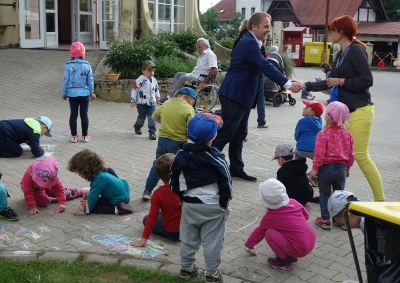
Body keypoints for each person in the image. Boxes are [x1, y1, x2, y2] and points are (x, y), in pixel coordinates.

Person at [212, 12, 303, 182]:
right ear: (254, 26)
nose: (268, 30)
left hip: (243, 96)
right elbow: (264, 65)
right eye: (266, 26)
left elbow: (264, 66)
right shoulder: (248, 43)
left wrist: (288, 80)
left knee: (239, 134)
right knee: (226, 134)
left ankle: (236, 169)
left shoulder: (256, 42)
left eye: (269, 26)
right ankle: (206, 169)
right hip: (235, 95)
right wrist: (287, 83)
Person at [302, 15, 385, 202]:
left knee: (362, 157)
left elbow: (366, 81)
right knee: (333, 156)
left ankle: (381, 201)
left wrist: (341, 81)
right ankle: (331, 199)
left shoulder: (356, 51)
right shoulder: (340, 54)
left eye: (332, 31)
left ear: (341, 32)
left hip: (360, 111)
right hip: (344, 114)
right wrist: (304, 85)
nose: (330, 34)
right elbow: (329, 82)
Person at [170, 113, 231, 282]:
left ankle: (186, 268)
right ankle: (212, 273)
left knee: (188, 239)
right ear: (214, 136)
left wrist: (180, 197)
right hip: (213, 207)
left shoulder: (181, 155)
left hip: (190, 204)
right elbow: (226, 181)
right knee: (213, 242)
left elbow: (173, 177)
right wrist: (225, 202)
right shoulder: (216, 157)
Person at [244, 179, 316, 271]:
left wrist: (249, 245)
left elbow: (259, 232)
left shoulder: (270, 217)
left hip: (299, 248)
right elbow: (306, 215)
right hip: (310, 241)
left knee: (269, 233)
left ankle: (284, 261)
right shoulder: (293, 202)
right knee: (280, 231)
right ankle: (291, 255)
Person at [142, 87, 196, 200]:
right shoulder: (188, 108)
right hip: (178, 142)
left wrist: (165, 124)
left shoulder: (166, 103)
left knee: (158, 164)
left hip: (163, 139)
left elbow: (154, 116)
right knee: (176, 166)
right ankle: (175, 193)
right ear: (191, 100)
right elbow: (191, 127)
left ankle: (147, 190)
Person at [309, 101, 355, 230]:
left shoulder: (323, 134)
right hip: (341, 168)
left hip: (326, 168)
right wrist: (348, 168)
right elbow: (351, 154)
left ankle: (325, 220)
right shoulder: (348, 135)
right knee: (340, 195)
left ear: (328, 116)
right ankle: (341, 220)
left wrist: (314, 169)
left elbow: (319, 154)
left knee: (324, 194)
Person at [130, 153, 181, 247]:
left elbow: (152, 218)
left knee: (146, 218)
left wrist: (143, 240)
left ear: (158, 175)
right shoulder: (186, 187)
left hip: (174, 233)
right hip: (189, 232)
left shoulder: (158, 194)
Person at [67, 149, 132, 215]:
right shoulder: (102, 172)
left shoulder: (98, 180)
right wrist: (88, 201)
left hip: (120, 200)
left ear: (86, 170)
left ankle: (118, 209)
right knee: (92, 203)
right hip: (125, 192)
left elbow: (93, 196)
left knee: (94, 208)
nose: (79, 175)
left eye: (79, 172)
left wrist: (85, 211)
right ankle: (119, 201)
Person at [62, 42, 96, 143]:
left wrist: (64, 93)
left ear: (71, 54)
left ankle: (74, 136)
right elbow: (90, 80)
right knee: (84, 114)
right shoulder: (87, 66)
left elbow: (65, 80)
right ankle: (85, 136)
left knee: (73, 114)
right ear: (83, 53)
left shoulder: (68, 66)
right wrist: (92, 92)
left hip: (72, 94)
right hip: (85, 93)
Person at [130, 60, 160, 140]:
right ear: (143, 70)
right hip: (141, 103)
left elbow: (156, 89)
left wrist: (157, 97)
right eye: (149, 70)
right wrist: (133, 100)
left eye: (153, 71)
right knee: (141, 117)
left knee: (152, 117)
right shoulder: (140, 80)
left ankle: (152, 132)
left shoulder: (154, 80)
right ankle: (137, 126)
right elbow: (134, 90)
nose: (151, 72)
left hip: (152, 103)